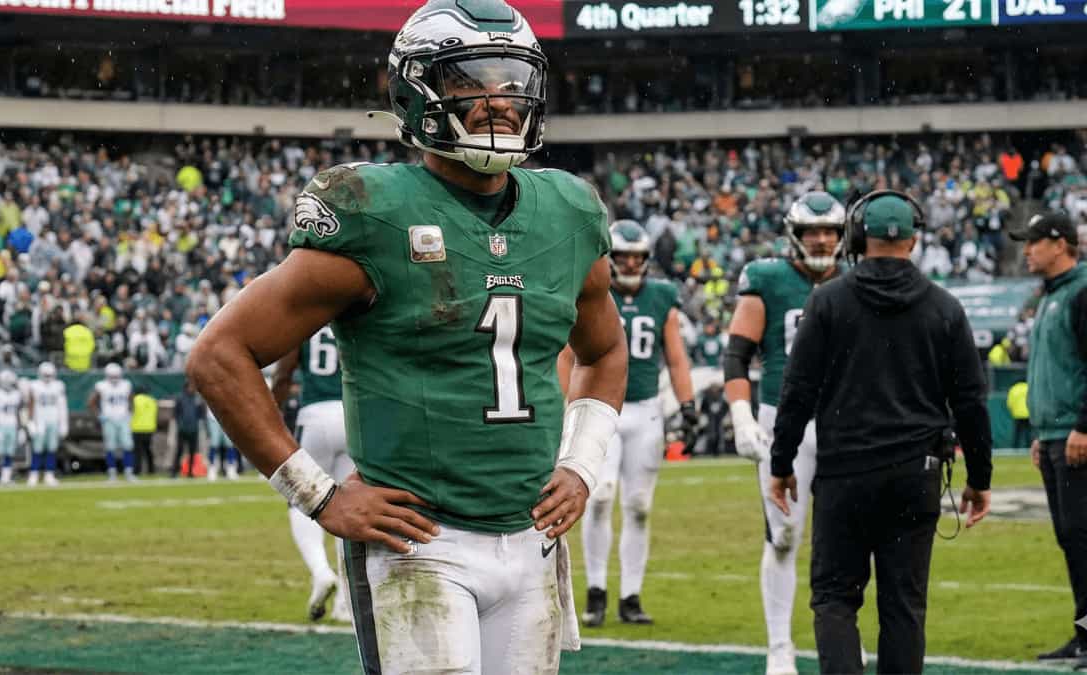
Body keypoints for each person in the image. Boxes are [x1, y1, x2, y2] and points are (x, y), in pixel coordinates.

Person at [186, 1, 627, 672]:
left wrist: (582, 463)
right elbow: (219, 354)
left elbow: (605, 351)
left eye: (512, 82)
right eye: (469, 83)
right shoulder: (375, 211)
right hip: (421, 541)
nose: (499, 102)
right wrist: (320, 493)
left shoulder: (567, 211)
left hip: (533, 537)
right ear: (416, 92)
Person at [768, 192, 993, 674]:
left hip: (844, 474)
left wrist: (781, 464)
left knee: (834, 599)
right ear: (915, 239)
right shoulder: (945, 308)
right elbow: (972, 402)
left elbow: (797, 392)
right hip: (917, 475)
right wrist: (980, 477)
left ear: (855, 237)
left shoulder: (826, 301)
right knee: (904, 606)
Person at [722, 191, 846, 675]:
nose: (821, 240)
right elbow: (737, 354)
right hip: (783, 419)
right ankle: (780, 647)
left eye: (830, 231)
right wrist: (740, 413)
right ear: (794, 235)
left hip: (844, 423)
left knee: (844, 538)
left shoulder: (856, 279)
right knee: (785, 535)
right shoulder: (768, 278)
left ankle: (841, 638)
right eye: (813, 231)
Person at [558, 220, 696, 627]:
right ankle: (597, 591)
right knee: (599, 496)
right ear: (610, 260)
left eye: (638, 257)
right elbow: (568, 355)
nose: (632, 263)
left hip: (647, 410)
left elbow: (675, 357)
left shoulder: (662, 296)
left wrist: (687, 404)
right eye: (624, 257)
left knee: (638, 506)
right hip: (601, 408)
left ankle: (631, 596)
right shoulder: (594, 294)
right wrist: (567, 406)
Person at [1010, 213, 1087, 663]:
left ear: (1059, 244)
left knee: (1082, 536)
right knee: (1071, 538)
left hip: (1076, 435)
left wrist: (1083, 424)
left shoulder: (1080, 292)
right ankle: (1083, 633)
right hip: (1054, 435)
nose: (1026, 250)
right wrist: (1042, 433)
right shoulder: (1051, 297)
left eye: (1033, 242)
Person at [273, 324, 354, 623]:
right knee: (349, 506)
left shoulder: (307, 318)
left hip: (315, 416)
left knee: (300, 500)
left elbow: (283, 374)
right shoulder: (352, 313)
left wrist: (273, 409)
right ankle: (346, 602)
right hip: (351, 415)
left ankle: (321, 572)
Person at [89, 363, 136, 482]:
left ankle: (129, 472)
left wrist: (130, 413)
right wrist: (99, 416)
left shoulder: (126, 385)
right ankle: (112, 473)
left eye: (116, 376)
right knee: (110, 447)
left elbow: (131, 400)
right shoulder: (101, 386)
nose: (114, 378)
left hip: (123, 418)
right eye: (112, 376)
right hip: (109, 419)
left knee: (128, 445)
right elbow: (91, 402)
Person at [27, 361, 67, 486]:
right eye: (45, 374)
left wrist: (63, 423)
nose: (47, 377)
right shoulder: (34, 385)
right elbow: (31, 404)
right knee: (37, 449)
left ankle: (49, 474)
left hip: (53, 420)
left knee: (52, 449)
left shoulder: (58, 385)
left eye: (49, 374)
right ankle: (33, 474)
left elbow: (62, 405)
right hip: (40, 421)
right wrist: (30, 422)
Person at [0, 370, 24, 487]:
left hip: (12, 426)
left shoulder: (16, 394)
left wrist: (20, 428)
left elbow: (17, 413)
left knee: (9, 454)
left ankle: (5, 479)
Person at [172, 380, 203, 478]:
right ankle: (174, 472)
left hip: (193, 429)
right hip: (183, 429)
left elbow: (201, 413)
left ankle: (190, 472)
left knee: (192, 452)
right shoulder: (180, 398)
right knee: (179, 451)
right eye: (191, 387)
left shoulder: (197, 399)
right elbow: (176, 413)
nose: (192, 389)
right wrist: (180, 424)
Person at [204, 405, 238, 482]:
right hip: (213, 418)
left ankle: (231, 468)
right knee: (214, 443)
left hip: (226, 416)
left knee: (229, 443)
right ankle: (212, 468)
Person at [131, 387, 159, 476]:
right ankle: (151, 469)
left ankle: (137, 470)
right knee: (148, 450)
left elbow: (131, 411)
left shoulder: (135, 400)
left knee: (137, 451)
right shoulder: (152, 400)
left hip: (137, 428)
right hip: (149, 428)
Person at [1007, 380, 1031, 451]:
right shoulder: (1028, 387)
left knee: (1017, 433)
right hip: (1028, 414)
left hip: (1017, 414)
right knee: (1028, 432)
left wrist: (1013, 411)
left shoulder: (1014, 389)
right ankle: (1028, 447)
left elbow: (1010, 403)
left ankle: (1015, 449)